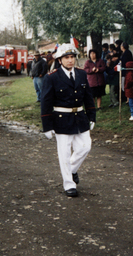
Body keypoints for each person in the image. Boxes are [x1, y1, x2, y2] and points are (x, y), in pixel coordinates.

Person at [40, 43, 96, 197]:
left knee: (85, 146)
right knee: (64, 153)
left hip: (80, 117)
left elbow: (88, 97)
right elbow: (46, 102)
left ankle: (71, 170)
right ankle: (69, 184)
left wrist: (92, 116)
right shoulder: (52, 77)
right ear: (60, 60)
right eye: (66, 57)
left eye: (72, 57)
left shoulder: (81, 74)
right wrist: (47, 125)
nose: (70, 60)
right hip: (61, 118)